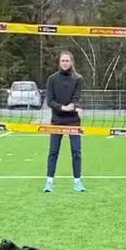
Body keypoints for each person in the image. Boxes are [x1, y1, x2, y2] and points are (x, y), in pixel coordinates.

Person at [43, 50, 85, 193]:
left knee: (76, 151)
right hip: (57, 120)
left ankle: (78, 181)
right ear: (59, 62)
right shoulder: (52, 79)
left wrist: (74, 107)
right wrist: (62, 108)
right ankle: (49, 182)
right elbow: (49, 101)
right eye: (63, 61)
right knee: (53, 151)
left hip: (73, 121)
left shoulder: (78, 79)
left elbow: (77, 98)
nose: (65, 63)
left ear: (72, 62)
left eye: (67, 61)